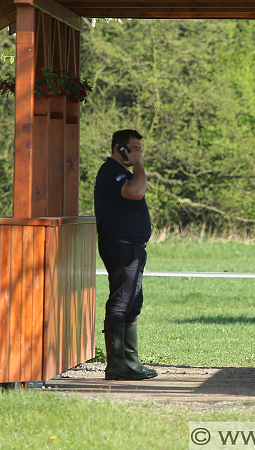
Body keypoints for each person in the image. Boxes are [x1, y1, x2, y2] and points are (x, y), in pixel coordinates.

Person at [94, 129, 158, 380]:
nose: (138, 153)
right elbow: (136, 192)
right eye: (134, 149)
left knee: (132, 301)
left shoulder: (120, 172)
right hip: (121, 247)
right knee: (122, 301)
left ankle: (130, 362)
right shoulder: (112, 171)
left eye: (139, 149)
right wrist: (140, 165)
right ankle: (117, 365)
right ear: (120, 148)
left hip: (130, 246)